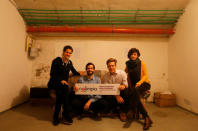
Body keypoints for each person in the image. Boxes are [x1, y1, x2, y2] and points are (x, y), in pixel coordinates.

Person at [48, 45, 81, 126]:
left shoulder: (69, 63)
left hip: (63, 86)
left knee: (60, 95)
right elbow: (52, 74)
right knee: (63, 90)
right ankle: (66, 114)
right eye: (67, 52)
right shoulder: (56, 60)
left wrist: (82, 74)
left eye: (70, 53)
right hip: (54, 82)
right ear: (63, 52)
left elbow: (74, 71)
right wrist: (60, 80)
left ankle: (56, 117)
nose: (68, 54)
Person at [125, 48, 152, 130]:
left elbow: (145, 75)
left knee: (135, 92)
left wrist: (139, 83)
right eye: (131, 54)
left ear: (137, 55)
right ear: (129, 55)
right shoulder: (128, 65)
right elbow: (124, 72)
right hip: (135, 86)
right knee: (133, 93)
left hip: (144, 83)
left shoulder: (141, 63)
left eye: (135, 54)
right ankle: (147, 117)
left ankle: (132, 108)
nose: (133, 56)